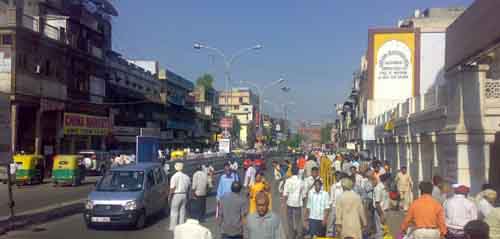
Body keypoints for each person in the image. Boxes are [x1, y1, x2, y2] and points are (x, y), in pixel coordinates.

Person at [283, 166, 305, 239]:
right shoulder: (301, 181)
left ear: (291, 172)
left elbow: (285, 194)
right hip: (298, 204)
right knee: (298, 220)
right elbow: (303, 194)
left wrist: (283, 204)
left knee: (290, 221)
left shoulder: (288, 181)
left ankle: (291, 235)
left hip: (289, 203)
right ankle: (299, 235)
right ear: (298, 172)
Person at [169, 162, 191, 231]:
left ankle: (173, 227)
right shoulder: (186, 176)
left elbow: (172, 188)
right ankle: (182, 226)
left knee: (174, 211)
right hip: (184, 194)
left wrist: (169, 196)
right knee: (182, 211)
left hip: (176, 195)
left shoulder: (174, 176)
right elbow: (189, 187)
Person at [371, 173, 387, 239]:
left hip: (383, 211)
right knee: (380, 231)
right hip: (379, 212)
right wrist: (381, 215)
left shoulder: (383, 188)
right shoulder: (378, 188)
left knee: (384, 231)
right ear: (386, 180)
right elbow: (377, 204)